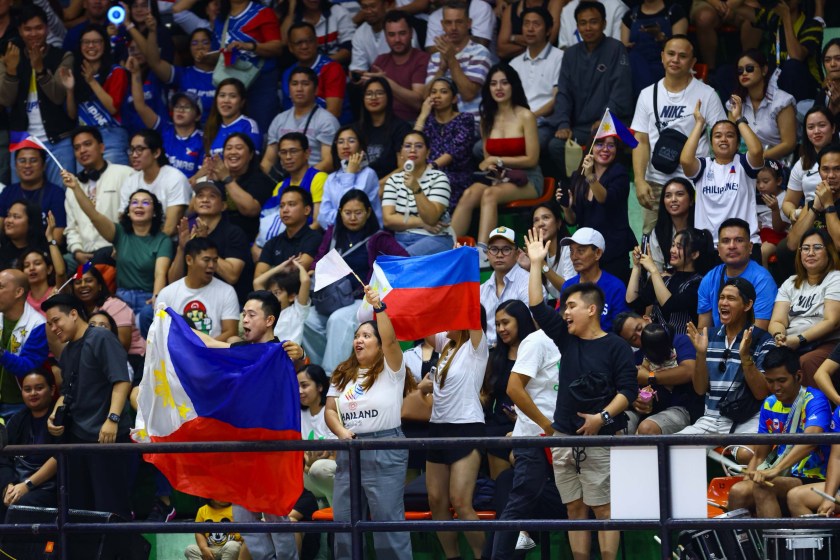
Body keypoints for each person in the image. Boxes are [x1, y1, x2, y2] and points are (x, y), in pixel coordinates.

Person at [526, 231, 636, 560]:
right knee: (574, 508)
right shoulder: (566, 338)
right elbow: (536, 306)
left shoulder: (616, 346)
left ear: (591, 310)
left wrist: (601, 418)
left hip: (602, 436)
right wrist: (536, 264)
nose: (564, 312)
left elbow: (628, 391)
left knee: (604, 509)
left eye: (571, 306)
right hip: (564, 435)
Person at [191, 290, 303, 560]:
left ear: (269, 320)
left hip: (273, 449)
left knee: (276, 516)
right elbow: (209, 343)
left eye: (252, 314)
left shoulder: (282, 351)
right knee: (244, 518)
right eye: (243, 314)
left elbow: (299, 360)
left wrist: (301, 354)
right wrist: (171, 321)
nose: (244, 320)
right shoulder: (240, 351)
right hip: (242, 449)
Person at [325, 285, 415, 560]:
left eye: (366, 335)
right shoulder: (342, 373)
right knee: (344, 523)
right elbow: (330, 411)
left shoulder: (392, 368)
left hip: (384, 446)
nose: (359, 340)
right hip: (349, 450)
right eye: (356, 336)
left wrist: (379, 308)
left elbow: (391, 342)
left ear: (379, 343)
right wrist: (341, 432)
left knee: (387, 523)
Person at [44, 294, 132, 521]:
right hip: (79, 437)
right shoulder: (68, 350)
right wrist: (54, 414)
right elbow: (67, 393)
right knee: (83, 508)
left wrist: (112, 419)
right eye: (49, 324)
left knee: (110, 507)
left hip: (106, 437)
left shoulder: (101, 337)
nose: (53, 328)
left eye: (56, 320)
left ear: (73, 314)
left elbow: (121, 381)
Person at [631, 35, 727, 234]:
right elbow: (640, 140)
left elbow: (723, 136)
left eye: (682, 56)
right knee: (651, 240)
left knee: (695, 240)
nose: (675, 60)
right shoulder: (647, 94)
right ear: (662, 57)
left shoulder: (707, 94)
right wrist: (639, 180)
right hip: (655, 181)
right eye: (671, 54)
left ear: (693, 62)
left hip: (695, 182)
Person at [305, 189, 406, 373]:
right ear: (340, 212)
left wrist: (381, 285)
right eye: (347, 212)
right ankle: (315, 373)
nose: (352, 217)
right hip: (331, 297)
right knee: (308, 319)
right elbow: (320, 257)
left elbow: (403, 261)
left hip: (362, 300)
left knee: (338, 320)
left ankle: (333, 376)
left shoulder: (379, 238)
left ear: (368, 212)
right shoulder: (333, 233)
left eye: (358, 212)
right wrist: (313, 270)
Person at [63, 172, 173, 337]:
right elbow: (93, 215)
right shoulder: (120, 233)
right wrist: (75, 187)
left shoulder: (162, 240)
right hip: (121, 298)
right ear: (128, 211)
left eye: (145, 202)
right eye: (134, 202)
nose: (139, 206)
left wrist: (156, 298)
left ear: (155, 211)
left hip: (147, 299)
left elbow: (160, 273)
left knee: (147, 317)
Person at [727, 347, 831, 517]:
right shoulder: (769, 404)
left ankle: (773, 536)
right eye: (770, 381)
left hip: (813, 478)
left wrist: (776, 470)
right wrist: (749, 479)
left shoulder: (814, 400)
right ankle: (738, 535)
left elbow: (811, 440)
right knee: (739, 491)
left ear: (798, 376)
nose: (775, 387)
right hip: (783, 475)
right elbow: (760, 456)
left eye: (782, 380)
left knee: (763, 487)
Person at [490, 321, 564, 559]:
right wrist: (546, 425)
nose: (568, 314)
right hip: (536, 437)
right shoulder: (537, 340)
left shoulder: (574, 342)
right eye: (568, 307)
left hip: (566, 437)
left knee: (577, 505)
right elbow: (513, 388)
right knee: (521, 501)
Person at [417, 311, 488, 560]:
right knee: (436, 500)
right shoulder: (446, 343)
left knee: (460, 501)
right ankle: (452, 557)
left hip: (467, 426)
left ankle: (483, 557)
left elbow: (471, 312)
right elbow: (424, 321)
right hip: (438, 428)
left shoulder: (476, 346)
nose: (444, 322)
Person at [451, 64, 541, 252]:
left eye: (504, 83)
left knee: (489, 194)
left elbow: (532, 159)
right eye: (493, 84)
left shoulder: (526, 116)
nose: (498, 88)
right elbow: (488, 161)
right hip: (498, 178)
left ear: (513, 86)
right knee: (469, 194)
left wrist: (498, 160)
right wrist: (494, 165)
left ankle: (483, 253)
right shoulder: (487, 118)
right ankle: (449, 248)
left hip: (527, 178)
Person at [545, 1, 633, 182]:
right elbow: (564, 93)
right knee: (555, 145)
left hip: (614, 123)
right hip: (580, 127)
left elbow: (620, 90)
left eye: (593, 22)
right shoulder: (570, 54)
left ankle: (603, 186)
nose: (588, 28)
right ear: (577, 26)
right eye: (582, 23)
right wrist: (563, 124)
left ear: (604, 24)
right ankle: (579, 187)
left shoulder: (616, 48)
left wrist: (605, 120)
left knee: (613, 142)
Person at [681, 278, 774, 446]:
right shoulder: (707, 336)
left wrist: (745, 357)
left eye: (731, 298)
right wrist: (701, 354)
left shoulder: (763, 340)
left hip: (747, 420)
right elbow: (700, 389)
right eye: (721, 297)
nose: (723, 303)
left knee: (747, 454)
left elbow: (761, 392)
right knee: (671, 449)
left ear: (747, 305)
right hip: (710, 419)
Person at [0, 4, 76, 188]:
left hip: (59, 140)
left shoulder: (63, 56)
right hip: (22, 141)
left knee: (65, 195)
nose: (33, 34)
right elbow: (5, 100)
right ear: (20, 31)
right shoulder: (9, 56)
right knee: (22, 200)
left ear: (47, 28)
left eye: (38, 28)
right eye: (28, 29)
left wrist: (41, 69)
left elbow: (58, 97)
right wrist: (11, 71)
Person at [680, 97, 764, 249]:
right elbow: (685, 160)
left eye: (730, 135)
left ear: (738, 143)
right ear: (712, 143)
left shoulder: (744, 164)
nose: (723, 139)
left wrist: (738, 119)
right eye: (718, 136)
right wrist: (699, 123)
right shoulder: (703, 166)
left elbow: (757, 150)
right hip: (707, 247)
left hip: (744, 245)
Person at [559, 134, 635, 284]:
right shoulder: (579, 176)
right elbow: (573, 221)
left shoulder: (619, 173)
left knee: (613, 295)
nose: (605, 149)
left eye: (611, 145)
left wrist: (590, 176)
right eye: (600, 144)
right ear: (591, 147)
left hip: (613, 250)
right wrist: (566, 207)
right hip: (586, 252)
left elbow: (605, 199)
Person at [768, 229, 840, 386]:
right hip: (790, 342)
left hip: (825, 342)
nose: (810, 253)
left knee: (806, 362)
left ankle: (812, 403)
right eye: (806, 248)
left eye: (817, 247)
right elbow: (777, 321)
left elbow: (832, 321)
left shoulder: (836, 278)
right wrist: (779, 336)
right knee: (764, 356)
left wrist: (799, 339)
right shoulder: (790, 282)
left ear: (829, 252)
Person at [169, 180, 253, 304]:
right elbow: (173, 282)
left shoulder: (234, 233)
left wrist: (205, 243)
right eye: (200, 196)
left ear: (223, 206)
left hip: (227, 302)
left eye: (212, 196)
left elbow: (232, 276)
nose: (205, 200)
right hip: (192, 300)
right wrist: (181, 249)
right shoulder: (188, 233)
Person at [64, 126, 134, 268]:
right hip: (84, 258)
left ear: (101, 147)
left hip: (116, 251)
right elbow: (71, 228)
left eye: (87, 144)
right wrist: (77, 250)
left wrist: (122, 244)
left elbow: (133, 218)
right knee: (61, 263)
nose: (82, 150)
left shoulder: (125, 174)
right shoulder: (72, 186)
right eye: (77, 148)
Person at [60, 24, 130, 166]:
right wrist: (69, 89)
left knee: (113, 178)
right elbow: (72, 115)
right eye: (86, 42)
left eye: (96, 42)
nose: (91, 46)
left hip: (110, 133)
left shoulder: (116, 71)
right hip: (83, 137)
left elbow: (112, 108)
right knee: (87, 180)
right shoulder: (75, 73)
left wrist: (91, 81)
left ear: (105, 44)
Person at [213, 0, 283, 136]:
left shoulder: (263, 13)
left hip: (260, 83)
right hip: (230, 82)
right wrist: (204, 57)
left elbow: (277, 47)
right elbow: (217, 52)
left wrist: (249, 46)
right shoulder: (221, 17)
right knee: (229, 133)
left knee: (260, 133)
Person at [483, 299, 536, 479]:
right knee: (501, 484)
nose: (500, 329)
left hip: (531, 425)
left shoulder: (536, 352)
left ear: (521, 321)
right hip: (498, 429)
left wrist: (521, 417)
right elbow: (489, 395)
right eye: (497, 324)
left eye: (505, 323)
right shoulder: (496, 356)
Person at [627, 227, 713, 335]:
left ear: (694, 254)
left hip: (684, 342)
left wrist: (654, 270)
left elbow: (670, 305)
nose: (672, 250)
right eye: (673, 245)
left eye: (679, 247)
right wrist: (636, 267)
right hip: (657, 341)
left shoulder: (699, 283)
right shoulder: (664, 278)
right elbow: (632, 302)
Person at [0, 368, 59, 522]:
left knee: (22, 504)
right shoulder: (17, 420)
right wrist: (7, 486)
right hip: (18, 483)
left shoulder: (59, 419)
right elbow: (4, 459)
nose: (33, 393)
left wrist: (27, 485)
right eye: (27, 389)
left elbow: (59, 458)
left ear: (52, 390)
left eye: (39, 388)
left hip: (49, 487)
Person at [697, 218, 778, 331]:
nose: (732, 246)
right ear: (718, 249)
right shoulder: (710, 278)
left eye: (739, 240)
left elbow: (759, 331)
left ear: (750, 247)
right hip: (717, 340)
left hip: (749, 340)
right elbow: (703, 329)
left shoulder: (763, 280)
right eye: (726, 241)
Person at [382, 130, 453, 256]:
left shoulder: (439, 178)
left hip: (434, 238)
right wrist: (422, 222)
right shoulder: (393, 180)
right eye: (407, 146)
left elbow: (431, 218)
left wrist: (416, 188)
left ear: (428, 152)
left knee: (402, 259)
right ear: (401, 153)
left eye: (419, 146)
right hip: (400, 239)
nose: (412, 150)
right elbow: (388, 220)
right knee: (382, 256)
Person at [71, 265, 145, 384]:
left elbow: (122, 346)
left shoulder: (115, 305)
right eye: (78, 282)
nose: (83, 285)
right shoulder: (76, 312)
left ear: (100, 286)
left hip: (132, 359)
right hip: (95, 360)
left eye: (89, 280)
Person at [196, 132, 273, 244]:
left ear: (251, 155)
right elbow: (192, 208)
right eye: (229, 148)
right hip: (214, 237)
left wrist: (227, 178)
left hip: (245, 240)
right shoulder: (217, 177)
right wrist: (207, 179)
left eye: (239, 148)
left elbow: (250, 210)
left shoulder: (261, 180)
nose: (233, 152)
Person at [157, 237, 240, 342]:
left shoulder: (227, 291)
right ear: (189, 260)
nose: (212, 265)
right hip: (178, 349)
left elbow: (231, 332)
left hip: (214, 349)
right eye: (206, 260)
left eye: (215, 261)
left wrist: (204, 347)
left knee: (234, 340)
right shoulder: (167, 293)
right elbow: (160, 332)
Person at [424, 1, 493, 126]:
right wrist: (441, 69)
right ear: (442, 25)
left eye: (459, 22)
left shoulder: (480, 52)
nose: (453, 27)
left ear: (469, 23)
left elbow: (468, 94)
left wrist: (451, 59)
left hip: (473, 124)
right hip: (440, 125)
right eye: (448, 23)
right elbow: (426, 97)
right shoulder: (435, 57)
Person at [742, 0, 823, 102]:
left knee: (791, 66)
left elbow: (796, 57)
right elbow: (734, 6)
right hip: (776, 84)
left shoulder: (813, 25)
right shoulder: (772, 18)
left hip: (807, 89)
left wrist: (786, 16)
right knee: (726, 72)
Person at [264, 66, 340, 174]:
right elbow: (268, 161)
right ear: (289, 89)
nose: (299, 89)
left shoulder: (327, 121)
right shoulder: (279, 120)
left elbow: (328, 162)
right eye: (294, 84)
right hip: (286, 179)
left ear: (316, 90)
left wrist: (302, 179)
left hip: (316, 179)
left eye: (305, 84)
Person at [414, 77, 476, 209]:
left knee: (436, 183)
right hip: (427, 174)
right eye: (433, 92)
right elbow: (413, 143)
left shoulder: (465, 119)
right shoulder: (428, 121)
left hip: (456, 176)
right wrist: (423, 115)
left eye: (443, 92)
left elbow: (454, 151)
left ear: (454, 99)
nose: (437, 96)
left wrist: (430, 168)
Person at [256, 133, 327, 247]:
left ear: (307, 153)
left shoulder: (318, 178)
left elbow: (317, 223)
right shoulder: (280, 186)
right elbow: (268, 221)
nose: (288, 157)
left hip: (307, 243)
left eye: (293, 151)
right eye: (283, 152)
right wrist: (257, 245)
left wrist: (287, 244)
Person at [508, 7, 564, 152]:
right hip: (516, 123)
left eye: (536, 24)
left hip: (545, 123)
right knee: (480, 148)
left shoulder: (560, 58)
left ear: (548, 30)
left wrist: (530, 117)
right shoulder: (514, 64)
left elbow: (557, 99)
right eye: (526, 24)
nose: (530, 29)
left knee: (524, 146)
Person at [120, 129, 193, 237]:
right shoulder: (131, 181)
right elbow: (123, 218)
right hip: (136, 240)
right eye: (132, 149)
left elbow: (170, 228)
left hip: (167, 242)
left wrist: (147, 245)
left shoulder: (175, 179)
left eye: (140, 149)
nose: (134, 155)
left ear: (156, 153)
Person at [139, 23, 216, 124]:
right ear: (189, 49)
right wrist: (152, 32)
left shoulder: (223, 74)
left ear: (214, 46)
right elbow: (154, 63)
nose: (199, 47)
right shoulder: (182, 73)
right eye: (194, 43)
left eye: (205, 42)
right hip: (188, 128)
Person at [0, 269, 49, 423]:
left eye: (1, 287)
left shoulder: (37, 324)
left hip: (18, 404)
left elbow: (28, 368)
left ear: (18, 292)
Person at [363, 10, 430, 122]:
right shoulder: (380, 61)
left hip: (413, 123)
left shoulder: (422, 59)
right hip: (383, 122)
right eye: (391, 35)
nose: (397, 39)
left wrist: (385, 82)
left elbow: (418, 103)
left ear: (411, 33)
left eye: (402, 33)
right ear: (385, 36)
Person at [730, 49, 796, 162]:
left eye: (749, 68)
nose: (744, 73)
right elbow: (730, 137)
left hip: (775, 164)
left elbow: (789, 143)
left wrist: (758, 158)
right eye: (740, 71)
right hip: (743, 163)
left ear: (764, 70)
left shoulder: (782, 101)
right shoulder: (735, 102)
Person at [559, 227, 629, 333]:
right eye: (571, 251)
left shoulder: (615, 287)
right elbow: (562, 321)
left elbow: (620, 329)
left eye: (580, 251)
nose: (574, 257)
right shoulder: (568, 286)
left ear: (598, 253)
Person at [279, 23, 348, 122]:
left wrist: (307, 129)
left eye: (309, 41)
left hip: (331, 128)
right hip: (297, 128)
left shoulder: (332, 68)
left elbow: (333, 112)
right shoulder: (288, 73)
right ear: (290, 47)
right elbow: (288, 112)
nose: (304, 46)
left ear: (316, 42)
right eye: (299, 43)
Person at [0, 146, 67, 245]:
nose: (27, 165)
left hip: (45, 252)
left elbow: (58, 236)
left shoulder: (56, 194)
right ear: (15, 165)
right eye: (22, 161)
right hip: (11, 251)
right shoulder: (7, 192)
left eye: (33, 160)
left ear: (44, 165)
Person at [781, 107, 837, 227]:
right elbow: (788, 202)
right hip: (810, 221)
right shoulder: (802, 163)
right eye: (811, 127)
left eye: (822, 125)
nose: (816, 131)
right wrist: (793, 213)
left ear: (833, 128)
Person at [620, 0, 688, 98]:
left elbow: (680, 48)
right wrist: (627, 47)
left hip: (666, 66)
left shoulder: (674, 12)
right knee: (632, 59)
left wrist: (660, 37)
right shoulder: (630, 16)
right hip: (636, 66)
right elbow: (623, 47)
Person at [319, 124, 382, 229]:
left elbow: (351, 207)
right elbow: (323, 218)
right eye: (340, 142)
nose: (345, 146)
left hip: (366, 235)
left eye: (351, 141)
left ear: (360, 146)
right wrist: (341, 216)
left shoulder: (368, 174)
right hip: (337, 235)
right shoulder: (331, 178)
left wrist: (349, 174)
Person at [479, 227, 531, 346]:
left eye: (506, 249)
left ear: (517, 254)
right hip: (486, 352)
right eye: (494, 249)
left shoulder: (528, 282)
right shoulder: (481, 290)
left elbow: (529, 325)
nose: (499, 255)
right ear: (487, 254)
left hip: (518, 349)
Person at [254, 187, 323, 276]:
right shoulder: (272, 243)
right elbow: (258, 278)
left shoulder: (314, 238)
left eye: (291, 204)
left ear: (306, 210)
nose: (285, 210)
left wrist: (271, 271)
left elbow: (295, 274)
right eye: (281, 206)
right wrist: (283, 268)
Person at [358, 77, 412, 183]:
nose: (373, 98)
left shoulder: (401, 128)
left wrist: (377, 186)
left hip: (390, 186)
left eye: (379, 93)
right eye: (369, 94)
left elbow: (403, 168)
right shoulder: (355, 129)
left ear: (389, 97)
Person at [298, 364, 336, 506]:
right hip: (309, 473)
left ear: (320, 387)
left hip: (331, 473)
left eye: (304, 385)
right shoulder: (298, 415)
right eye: (296, 386)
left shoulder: (330, 411)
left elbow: (337, 456)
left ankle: (338, 514)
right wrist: (308, 465)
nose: (299, 391)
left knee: (319, 468)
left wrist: (309, 464)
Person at [644, 177, 696, 272]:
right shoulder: (658, 232)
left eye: (679, 194)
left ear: (691, 200)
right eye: (668, 196)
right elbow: (655, 270)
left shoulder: (699, 229)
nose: (673, 199)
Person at [283, 0, 355, 65]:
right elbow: (285, 43)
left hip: (336, 66)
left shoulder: (338, 11)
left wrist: (320, 64)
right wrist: (291, 9)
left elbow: (348, 50)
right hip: (303, 70)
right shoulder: (293, 17)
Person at [203, 78, 261, 158]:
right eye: (222, 95)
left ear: (242, 102)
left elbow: (253, 160)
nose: (226, 100)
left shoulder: (248, 125)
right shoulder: (211, 127)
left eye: (233, 96)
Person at [496, 0, 562, 61]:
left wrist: (514, 38)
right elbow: (502, 51)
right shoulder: (510, 9)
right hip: (512, 63)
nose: (530, 29)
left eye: (536, 24)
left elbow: (547, 42)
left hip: (545, 60)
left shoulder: (555, 3)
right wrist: (533, 45)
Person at [755, 160, 789, 268]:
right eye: (757, 182)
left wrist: (775, 209)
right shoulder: (757, 197)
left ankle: (764, 277)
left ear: (778, 181)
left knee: (762, 252)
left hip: (779, 236)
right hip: (761, 233)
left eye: (765, 181)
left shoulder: (785, 198)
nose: (761, 186)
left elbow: (780, 229)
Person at [20, 246, 64, 316]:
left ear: (49, 269)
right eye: (26, 265)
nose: (31, 268)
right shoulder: (22, 300)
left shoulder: (57, 291)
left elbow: (60, 273)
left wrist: (51, 241)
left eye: (37, 263)